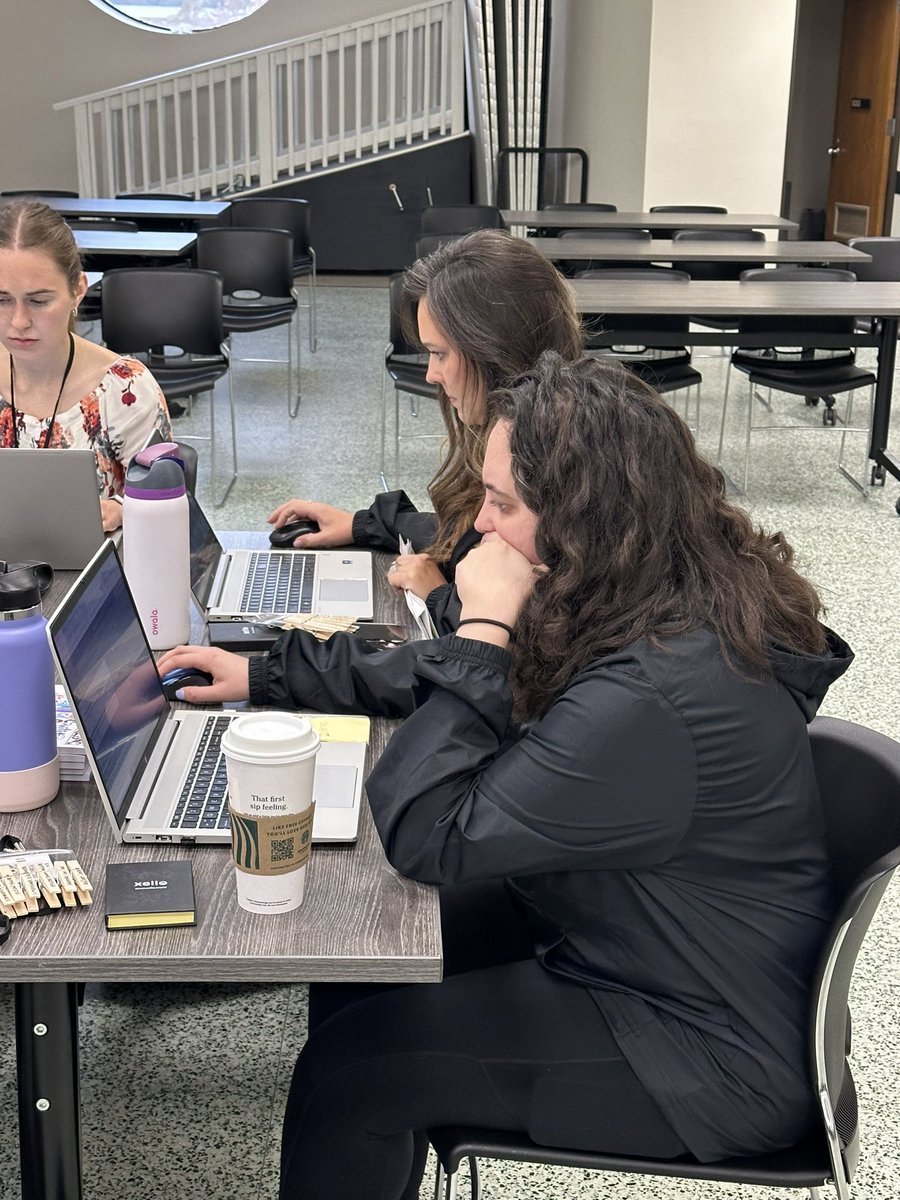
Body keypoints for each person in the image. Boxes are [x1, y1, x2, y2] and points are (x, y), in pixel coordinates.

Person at [160, 353, 852, 1200]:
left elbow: (426, 833)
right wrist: (274, 675)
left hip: (699, 1048)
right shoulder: (644, 589)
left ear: (586, 520)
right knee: (361, 955)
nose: (481, 530)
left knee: (353, 1070)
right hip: (635, 929)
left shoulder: (653, 694)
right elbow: (486, 681)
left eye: (503, 506)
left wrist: (483, 620)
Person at [266, 228, 582, 633]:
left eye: (440, 354)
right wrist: (364, 524)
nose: (431, 374)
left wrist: (439, 599)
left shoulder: (550, 470)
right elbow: (470, 533)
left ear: (495, 352)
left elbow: (520, 644)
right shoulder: (543, 426)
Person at [0, 199, 172, 531]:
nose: (18, 321)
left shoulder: (125, 388)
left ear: (78, 289)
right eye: (1, 299)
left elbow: (166, 501)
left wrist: (124, 510)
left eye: (39, 301)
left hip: (96, 574)